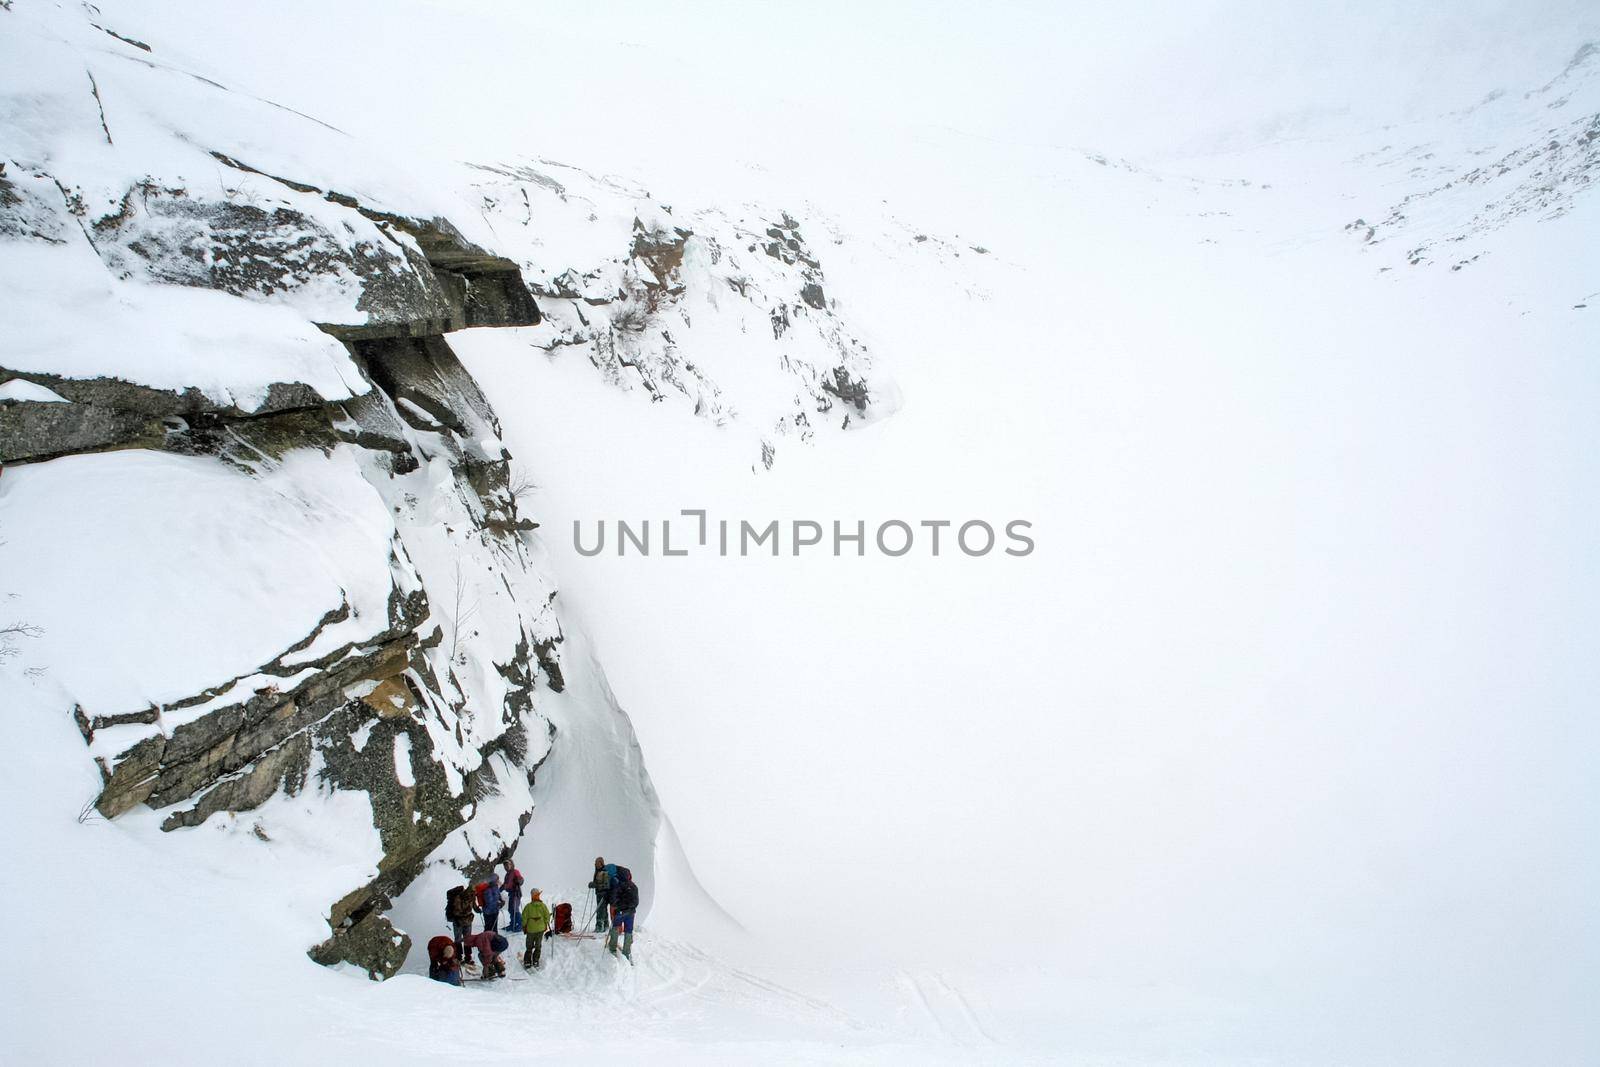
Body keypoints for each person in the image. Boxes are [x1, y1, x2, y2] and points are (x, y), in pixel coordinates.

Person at [606, 867, 639, 961]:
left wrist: (619, 906)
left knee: (616, 928)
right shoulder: (634, 886)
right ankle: (627, 952)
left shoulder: (618, 886)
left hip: (620, 912)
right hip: (631, 913)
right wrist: (629, 907)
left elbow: (613, 900)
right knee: (628, 931)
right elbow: (636, 902)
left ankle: (612, 948)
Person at [520, 888, 552, 969]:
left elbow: (524, 918)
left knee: (529, 945)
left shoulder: (528, 907)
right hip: (540, 930)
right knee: (538, 945)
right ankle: (535, 961)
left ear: (531, 896)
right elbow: (547, 916)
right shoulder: (543, 906)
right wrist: (544, 924)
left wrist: (524, 926)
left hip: (531, 930)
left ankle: (527, 961)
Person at [445, 884, 476, 962]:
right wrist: (466, 913)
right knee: (459, 939)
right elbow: (456, 912)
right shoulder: (458, 898)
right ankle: (459, 956)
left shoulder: (471, 896)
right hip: (459, 921)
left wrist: (476, 909)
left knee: (467, 939)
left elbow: (474, 906)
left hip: (466, 921)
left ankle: (467, 957)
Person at [588, 857, 611, 933]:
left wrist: (595, 885)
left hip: (603, 894)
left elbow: (606, 885)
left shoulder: (604, 872)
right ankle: (606, 925)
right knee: (602, 909)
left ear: (601, 863)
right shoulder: (598, 871)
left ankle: (599, 927)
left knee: (600, 910)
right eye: (595, 862)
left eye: (597, 862)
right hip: (599, 893)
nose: (595, 864)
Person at [503, 859, 525, 933]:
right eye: (505, 866)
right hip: (511, 893)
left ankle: (521, 925)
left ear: (511, 865)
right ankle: (513, 924)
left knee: (514, 909)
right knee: (510, 909)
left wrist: (519, 880)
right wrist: (499, 889)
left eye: (507, 865)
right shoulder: (507, 875)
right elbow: (505, 884)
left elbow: (521, 879)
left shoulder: (515, 872)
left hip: (516, 893)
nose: (506, 867)